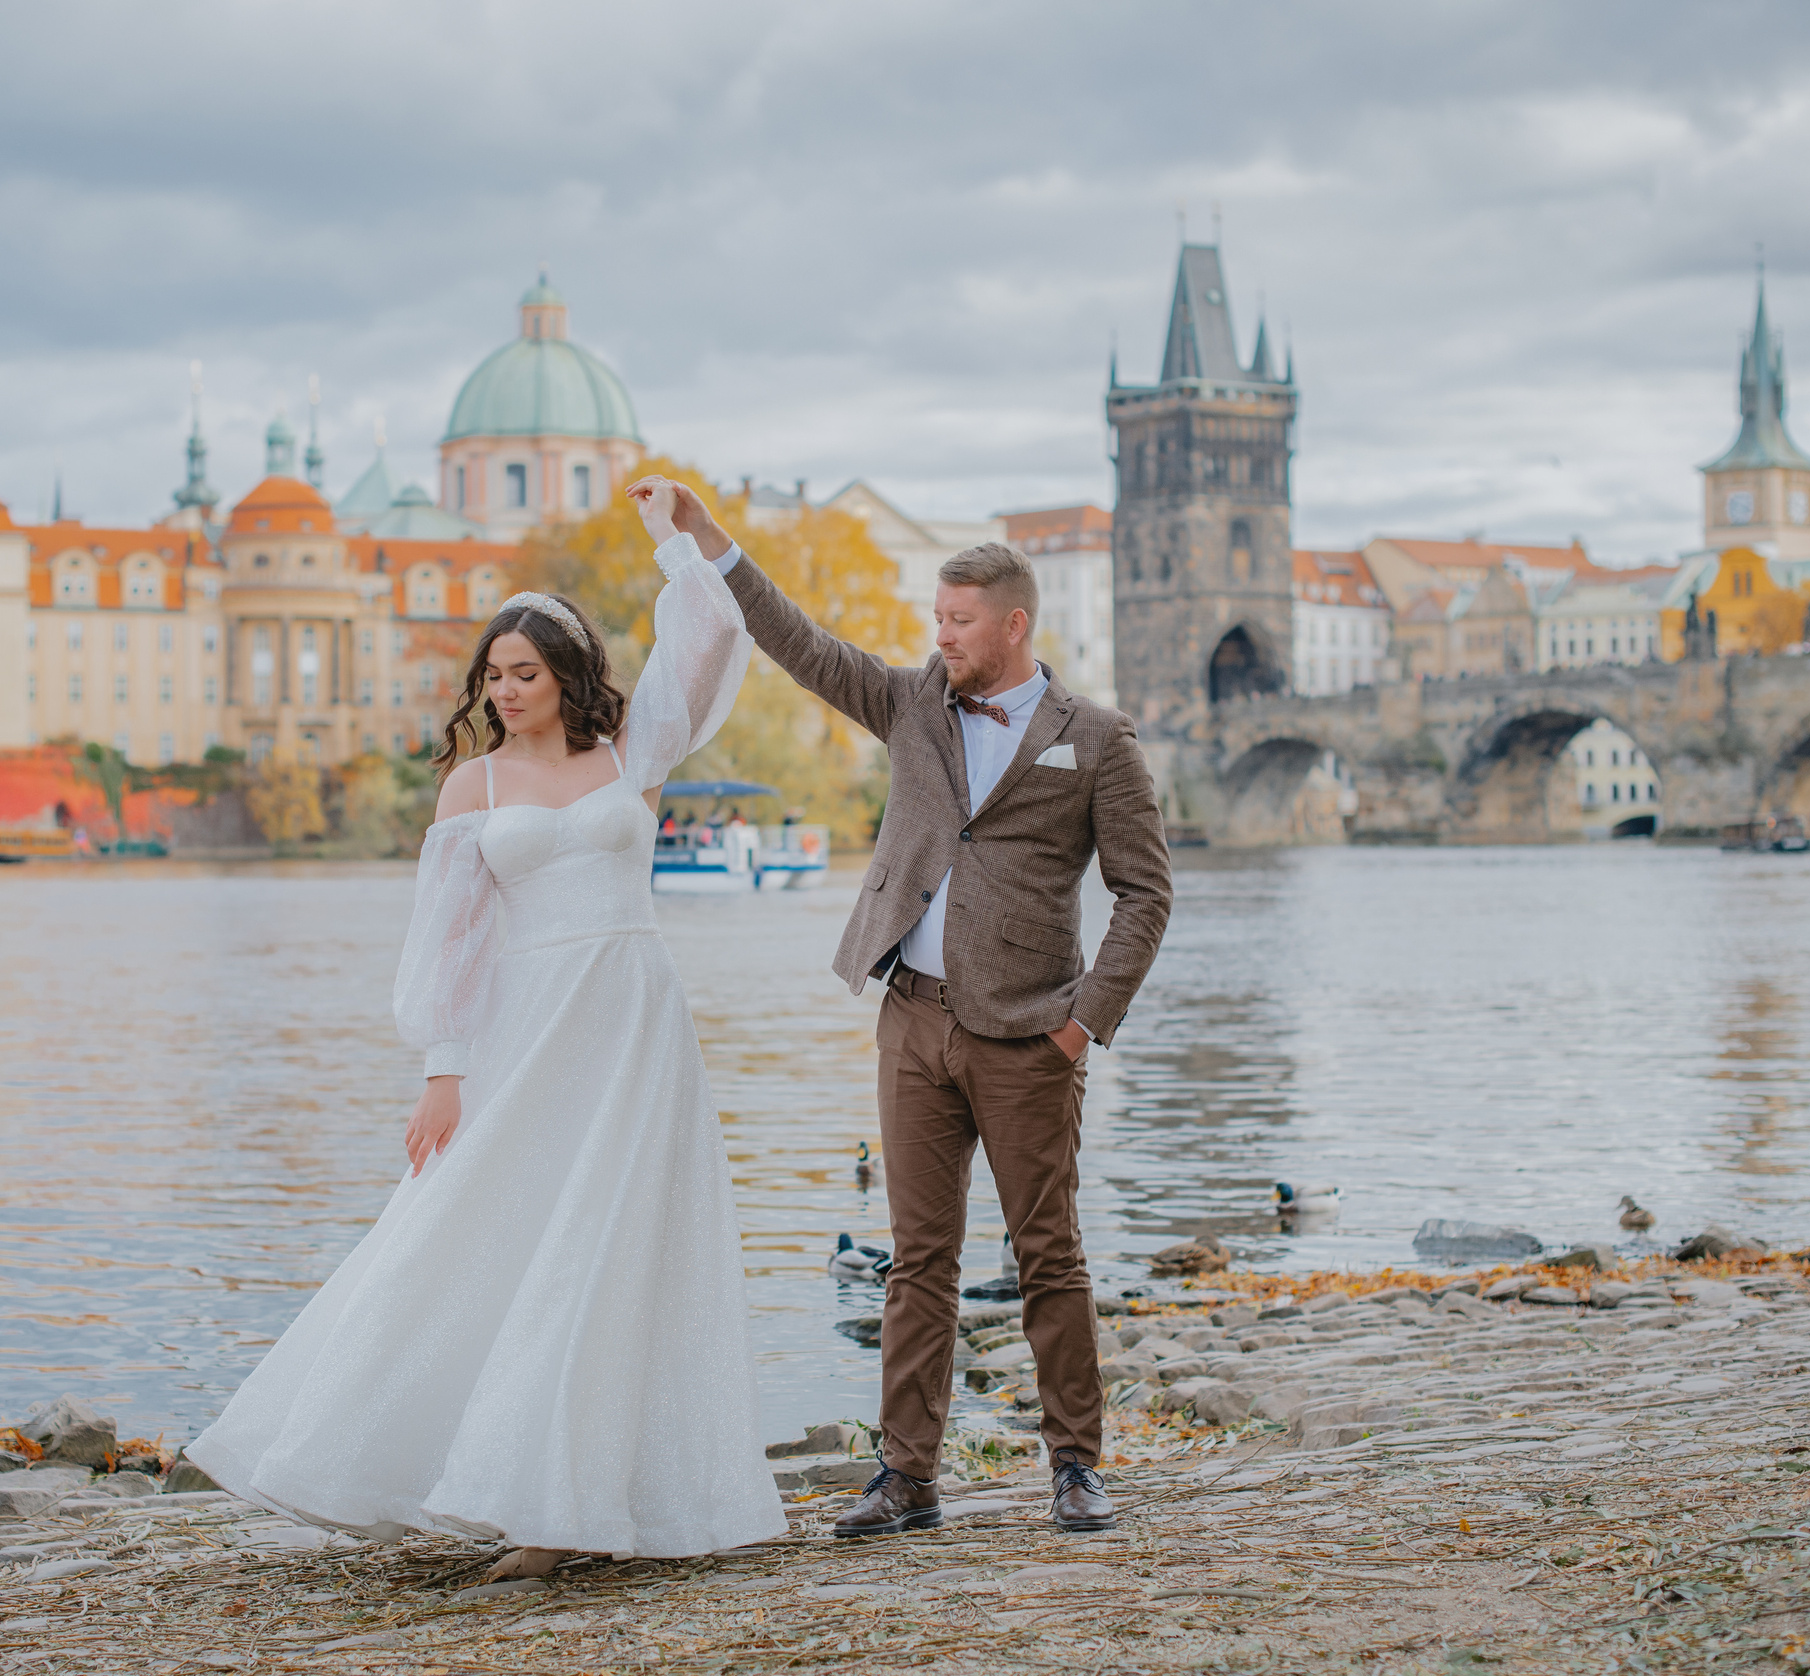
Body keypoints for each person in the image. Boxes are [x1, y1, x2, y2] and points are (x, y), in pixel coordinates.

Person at [181, 496, 783, 1577]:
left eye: (525, 674)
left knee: (619, 1242)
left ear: (567, 675)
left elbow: (710, 637)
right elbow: (444, 945)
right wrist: (441, 1073)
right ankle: (419, 1460)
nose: (505, 693)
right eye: (493, 676)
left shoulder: (631, 751)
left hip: (634, 1016)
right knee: (488, 1227)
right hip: (524, 1028)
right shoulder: (476, 783)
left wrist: (680, 535)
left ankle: (576, 1506)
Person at [624, 477, 1172, 1538]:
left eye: (958, 622)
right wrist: (709, 539)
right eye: (936, 618)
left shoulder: (1095, 739)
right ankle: (908, 1476)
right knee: (918, 1258)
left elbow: (1145, 894)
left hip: (1029, 1035)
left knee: (1046, 1255)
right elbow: (801, 641)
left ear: (1012, 626)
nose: (941, 636)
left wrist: (1082, 1021)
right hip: (911, 1024)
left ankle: (1073, 1466)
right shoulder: (913, 703)